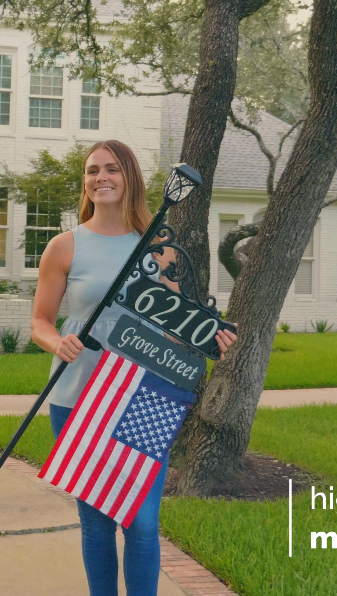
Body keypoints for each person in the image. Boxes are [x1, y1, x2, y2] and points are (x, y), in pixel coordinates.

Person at [30, 139, 236, 596]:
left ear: (129, 179)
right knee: (96, 522)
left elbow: (176, 327)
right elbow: (40, 322)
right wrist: (57, 341)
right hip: (77, 397)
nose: (100, 177)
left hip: (144, 396)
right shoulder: (65, 247)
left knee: (141, 523)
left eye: (112, 169)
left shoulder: (158, 249)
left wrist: (211, 336)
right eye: (92, 170)